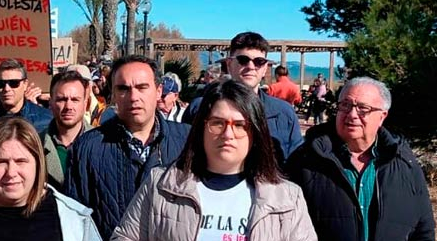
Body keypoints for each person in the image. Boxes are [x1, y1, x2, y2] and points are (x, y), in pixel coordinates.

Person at [111, 79, 316, 240]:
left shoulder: (287, 198)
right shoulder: (160, 185)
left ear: (255, 132)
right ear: (202, 127)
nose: (228, 134)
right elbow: (124, 236)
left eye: (239, 125)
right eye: (217, 123)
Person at [287, 77, 435, 240]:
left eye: (363, 108)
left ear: (382, 116)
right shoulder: (305, 160)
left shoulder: (404, 163)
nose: (352, 115)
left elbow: (423, 229)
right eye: (345, 105)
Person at [65, 55, 191, 239]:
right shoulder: (87, 148)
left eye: (142, 87)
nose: (133, 97)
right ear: (113, 94)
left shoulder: (187, 141)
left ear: (158, 91)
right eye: (123, 88)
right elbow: (75, 221)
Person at [0, 117, 102, 241]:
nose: (11, 172)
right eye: (1, 162)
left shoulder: (74, 219)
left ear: (37, 164)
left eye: (21, 161)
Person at [225, 32, 303, 163]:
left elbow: (297, 163)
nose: (251, 66)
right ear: (229, 64)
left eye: (259, 61)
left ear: (265, 68)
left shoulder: (285, 113)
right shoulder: (203, 108)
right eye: (243, 60)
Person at [40, 71, 92, 188]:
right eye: (61, 99)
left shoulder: (103, 145)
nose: (68, 107)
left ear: (85, 104)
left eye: (75, 100)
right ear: (51, 103)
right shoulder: (35, 144)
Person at [0, 59, 52, 133]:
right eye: (1, 83)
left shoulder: (46, 120)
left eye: (13, 83)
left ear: (25, 84)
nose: (7, 88)